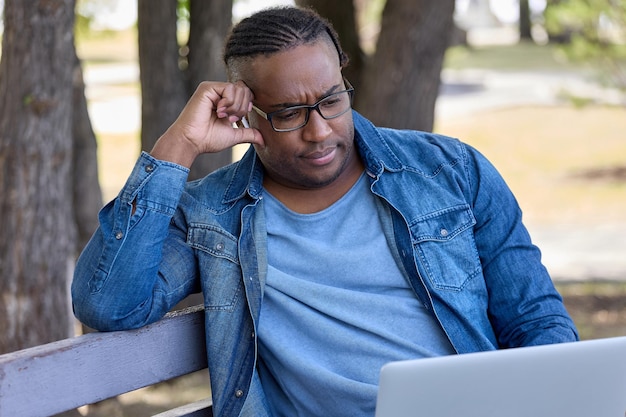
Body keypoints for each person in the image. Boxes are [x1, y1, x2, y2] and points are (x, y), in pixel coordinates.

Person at [71, 6, 578, 417]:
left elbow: (535, 318)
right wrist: (177, 146)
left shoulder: (450, 171)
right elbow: (108, 305)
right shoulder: (212, 215)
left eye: (331, 101)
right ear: (248, 115)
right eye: (288, 114)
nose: (319, 131)